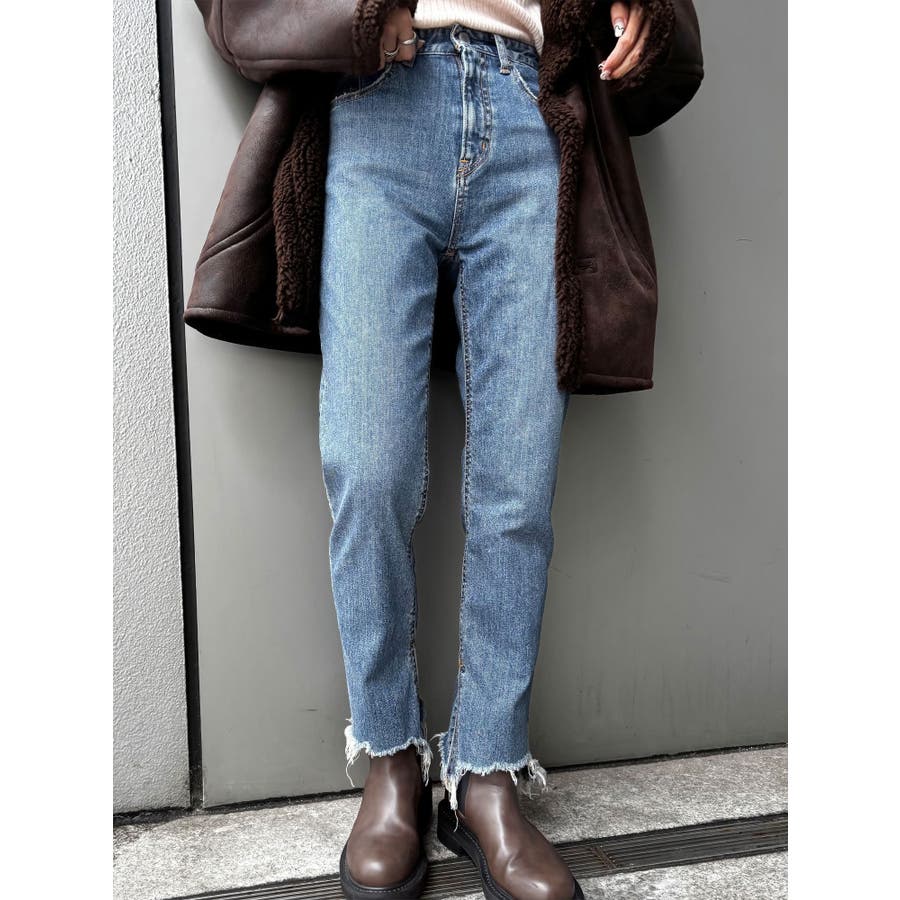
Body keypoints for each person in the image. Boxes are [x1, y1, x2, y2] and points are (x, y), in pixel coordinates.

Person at [320, 4, 649, 899]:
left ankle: (486, 774)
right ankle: (390, 755)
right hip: (381, 96)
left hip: (529, 102)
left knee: (518, 483)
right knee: (369, 466)